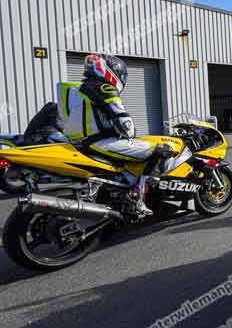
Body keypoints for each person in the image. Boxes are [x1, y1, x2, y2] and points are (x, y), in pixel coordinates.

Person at [58, 54, 162, 217]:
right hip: (100, 142)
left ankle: (119, 189)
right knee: (159, 150)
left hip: (78, 143)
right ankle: (137, 197)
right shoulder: (104, 87)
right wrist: (131, 133)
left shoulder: (77, 89)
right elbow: (123, 123)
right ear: (111, 71)